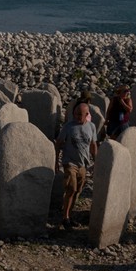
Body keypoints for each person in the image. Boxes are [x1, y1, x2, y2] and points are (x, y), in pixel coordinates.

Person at [56, 92, 98, 226]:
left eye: (80, 114)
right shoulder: (68, 127)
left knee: (77, 191)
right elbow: (58, 143)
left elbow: (93, 145)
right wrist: (56, 161)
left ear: (87, 115)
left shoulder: (91, 127)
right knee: (71, 189)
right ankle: (65, 217)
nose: (77, 117)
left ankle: (69, 215)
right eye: (76, 114)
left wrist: (96, 161)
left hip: (83, 164)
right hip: (70, 163)